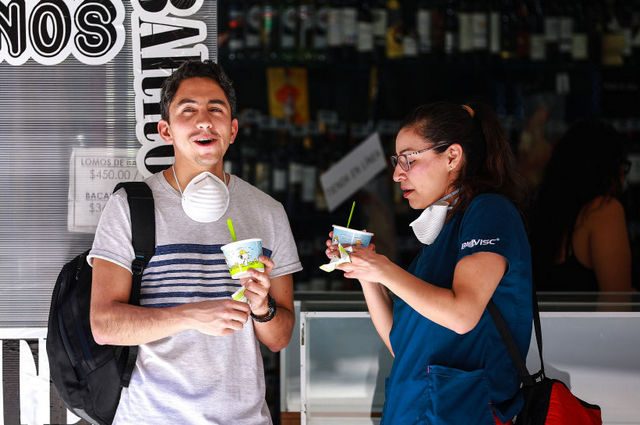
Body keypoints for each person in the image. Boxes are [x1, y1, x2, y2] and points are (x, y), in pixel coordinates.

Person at [88, 60, 302, 424]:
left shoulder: (267, 212)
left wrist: (261, 306)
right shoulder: (130, 207)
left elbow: (279, 338)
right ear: (166, 130)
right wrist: (190, 316)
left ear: (232, 130)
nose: (204, 120)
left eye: (215, 109)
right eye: (188, 110)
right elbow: (105, 325)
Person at [326, 101, 533, 424]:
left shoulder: (489, 211)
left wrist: (383, 268)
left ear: (452, 156)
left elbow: (462, 314)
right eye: (397, 161)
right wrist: (365, 272)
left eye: (408, 159)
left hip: (462, 411)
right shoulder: (441, 232)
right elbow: (401, 343)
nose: (397, 174)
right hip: (413, 410)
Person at [530, 119, 633, 292]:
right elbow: (618, 305)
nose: (623, 177)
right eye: (622, 167)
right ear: (607, 169)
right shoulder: (604, 211)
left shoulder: (546, 216)